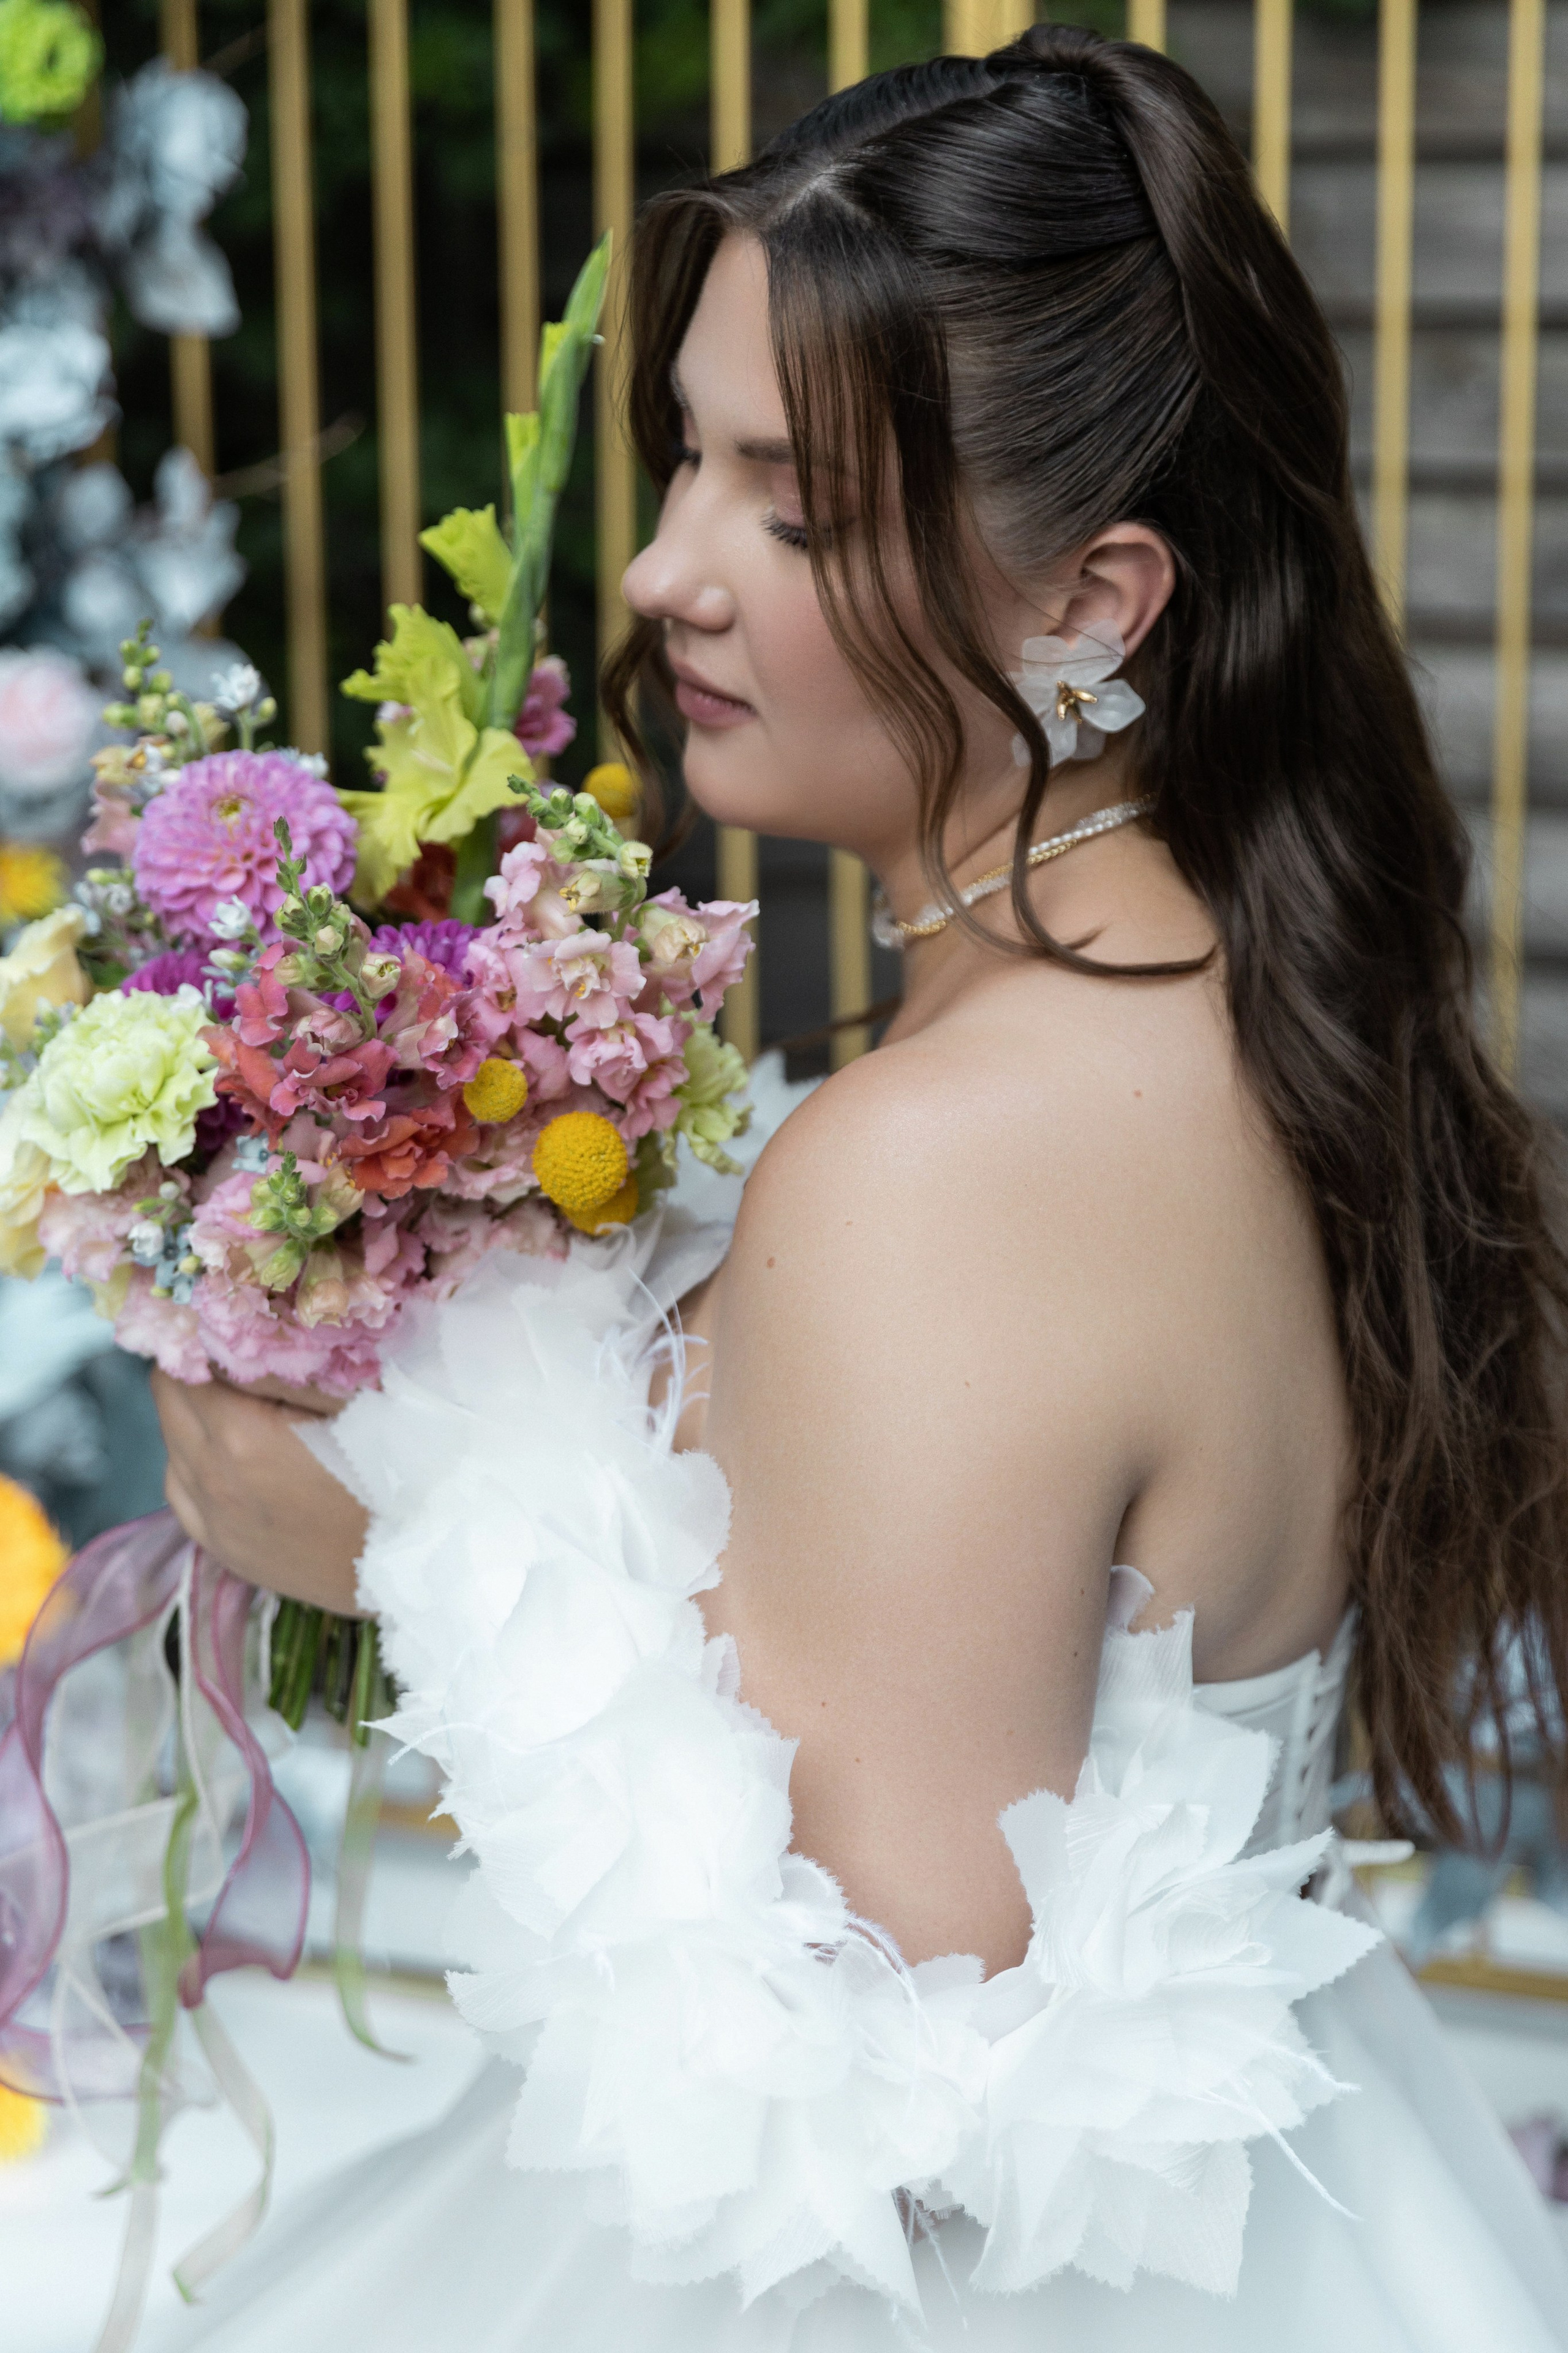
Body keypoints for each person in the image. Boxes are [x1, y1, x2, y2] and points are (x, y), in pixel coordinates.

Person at [148, 27, 1568, 2350]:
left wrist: (396, 1550)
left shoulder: (942, 1168)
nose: (659, 569)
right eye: (685, 459)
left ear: (1094, 601)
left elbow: (887, 2136)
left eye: (787, 507)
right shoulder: (1230, 1017)